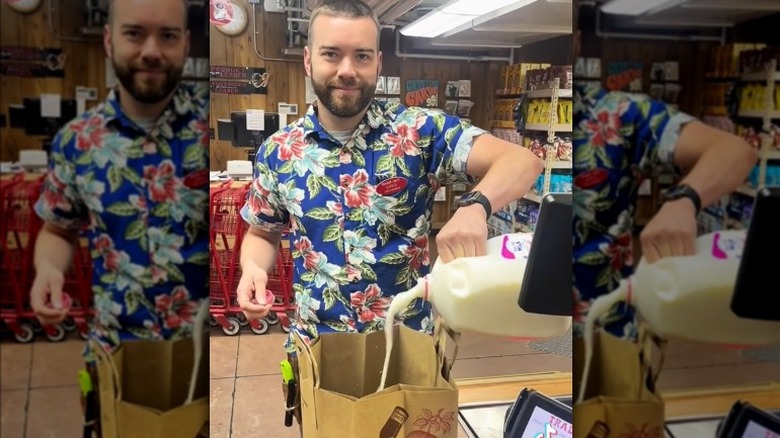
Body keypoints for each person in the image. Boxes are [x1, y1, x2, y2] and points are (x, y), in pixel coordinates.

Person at [236, 0, 543, 427]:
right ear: (308, 60)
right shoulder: (278, 152)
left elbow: (522, 161)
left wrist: (476, 206)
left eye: (361, 55)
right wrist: (252, 270)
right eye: (331, 53)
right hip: (316, 347)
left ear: (378, 63)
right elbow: (262, 233)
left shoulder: (420, 132)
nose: (347, 69)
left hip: (407, 344)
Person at [30, 0, 208, 434]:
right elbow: (58, 228)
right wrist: (48, 270)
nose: (151, 50)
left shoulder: (207, 129)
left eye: (167, 36)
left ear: (184, 43)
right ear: (109, 40)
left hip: (201, 360)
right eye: (134, 34)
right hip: (115, 354)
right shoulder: (77, 141)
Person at [571, 0, 758, 339]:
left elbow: (735, 151)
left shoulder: (623, 113)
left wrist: (683, 200)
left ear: (577, 42)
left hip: (607, 330)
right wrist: (477, 206)